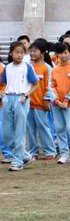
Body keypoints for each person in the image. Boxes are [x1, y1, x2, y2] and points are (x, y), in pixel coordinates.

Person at [2, 41, 41, 171]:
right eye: (17, 52)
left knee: (19, 131)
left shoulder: (27, 67)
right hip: (8, 98)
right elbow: (4, 83)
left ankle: (18, 161)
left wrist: (26, 95)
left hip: (21, 99)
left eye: (22, 52)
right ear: (11, 53)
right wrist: (4, 95)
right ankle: (24, 155)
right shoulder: (7, 67)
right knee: (7, 133)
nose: (19, 55)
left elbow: (36, 84)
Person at [26, 40, 57, 161]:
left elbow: (49, 86)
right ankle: (33, 152)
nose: (32, 53)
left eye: (35, 51)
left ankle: (50, 151)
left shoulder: (47, 68)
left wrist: (47, 99)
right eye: (31, 51)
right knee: (30, 129)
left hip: (40, 102)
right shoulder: (27, 66)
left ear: (43, 52)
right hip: (27, 102)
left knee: (43, 127)